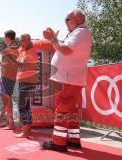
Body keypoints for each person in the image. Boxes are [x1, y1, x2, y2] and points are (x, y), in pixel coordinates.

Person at [41, 9, 92, 152]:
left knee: (63, 110)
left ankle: (58, 142)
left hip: (68, 78)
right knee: (71, 110)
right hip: (70, 77)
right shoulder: (79, 33)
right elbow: (64, 49)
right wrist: (55, 40)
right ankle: (73, 140)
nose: (65, 22)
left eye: (67, 19)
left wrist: (53, 39)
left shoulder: (81, 32)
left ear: (78, 20)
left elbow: (66, 50)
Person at [0, 30, 19, 130]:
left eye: (4, 37)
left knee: (6, 98)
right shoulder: (17, 49)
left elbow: (8, 65)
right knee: (7, 98)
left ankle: (11, 123)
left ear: (7, 38)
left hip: (7, 77)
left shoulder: (8, 50)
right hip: (12, 77)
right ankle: (8, 121)